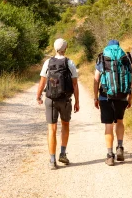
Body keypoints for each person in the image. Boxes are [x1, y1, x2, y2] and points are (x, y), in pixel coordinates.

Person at [36, 38, 80, 170]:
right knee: (65, 125)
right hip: (65, 99)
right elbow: (75, 84)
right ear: (65, 48)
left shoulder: (48, 62)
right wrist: (77, 101)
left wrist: (38, 96)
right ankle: (62, 153)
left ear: (55, 49)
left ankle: (52, 160)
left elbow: (43, 82)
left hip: (51, 99)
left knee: (52, 129)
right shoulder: (69, 63)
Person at [93, 39, 132, 166]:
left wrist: (95, 97)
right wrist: (130, 97)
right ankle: (120, 147)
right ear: (118, 46)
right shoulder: (125, 58)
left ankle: (110, 155)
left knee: (108, 125)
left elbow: (96, 80)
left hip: (106, 96)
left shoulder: (102, 58)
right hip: (122, 96)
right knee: (120, 122)